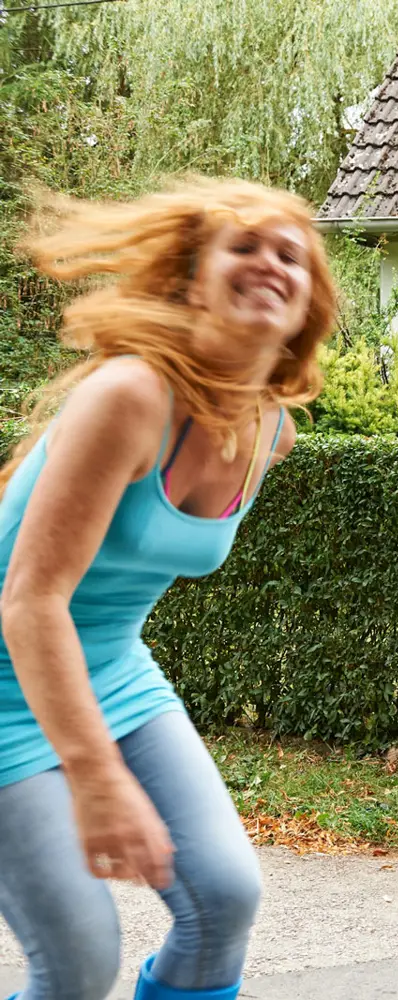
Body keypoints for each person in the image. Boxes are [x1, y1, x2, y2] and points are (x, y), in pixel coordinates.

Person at [0, 178, 337, 1000]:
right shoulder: (129, 396)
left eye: (290, 255)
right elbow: (30, 599)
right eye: (244, 246)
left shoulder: (271, 432)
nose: (269, 264)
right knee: (79, 961)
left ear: (306, 308)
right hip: (9, 674)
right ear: (193, 282)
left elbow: (111, 593)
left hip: (110, 669)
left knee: (224, 899)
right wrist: (95, 772)